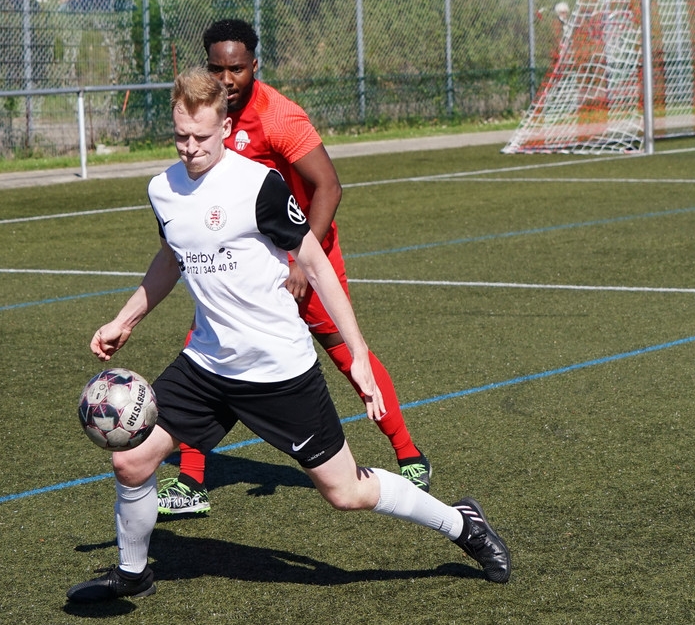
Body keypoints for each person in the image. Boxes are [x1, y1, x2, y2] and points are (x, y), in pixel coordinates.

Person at [66, 69, 510, 602]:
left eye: (201, 137)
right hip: (207, 364)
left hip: (278, 370)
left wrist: (359, 353)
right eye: (181, 136)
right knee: (132, 459)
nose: (190, 148)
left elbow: (317, 266)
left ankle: (462, 523)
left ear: (225, 127)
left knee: (345, 492)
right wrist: (125, 319)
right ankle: (133, 571)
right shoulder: (163, 190)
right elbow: (172, 257)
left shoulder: (260, 186)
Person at [156, 19, 429, 517]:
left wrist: (301, 263)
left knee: (345, 352)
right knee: (210, 353)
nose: (226, 79)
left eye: (237, 69)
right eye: (216, 69)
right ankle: (191, 482)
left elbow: (328, 186)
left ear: (254, 66)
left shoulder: (279, 116)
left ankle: (408, 454)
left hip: (307, 257)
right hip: (246, 268)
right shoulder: (207, 120)